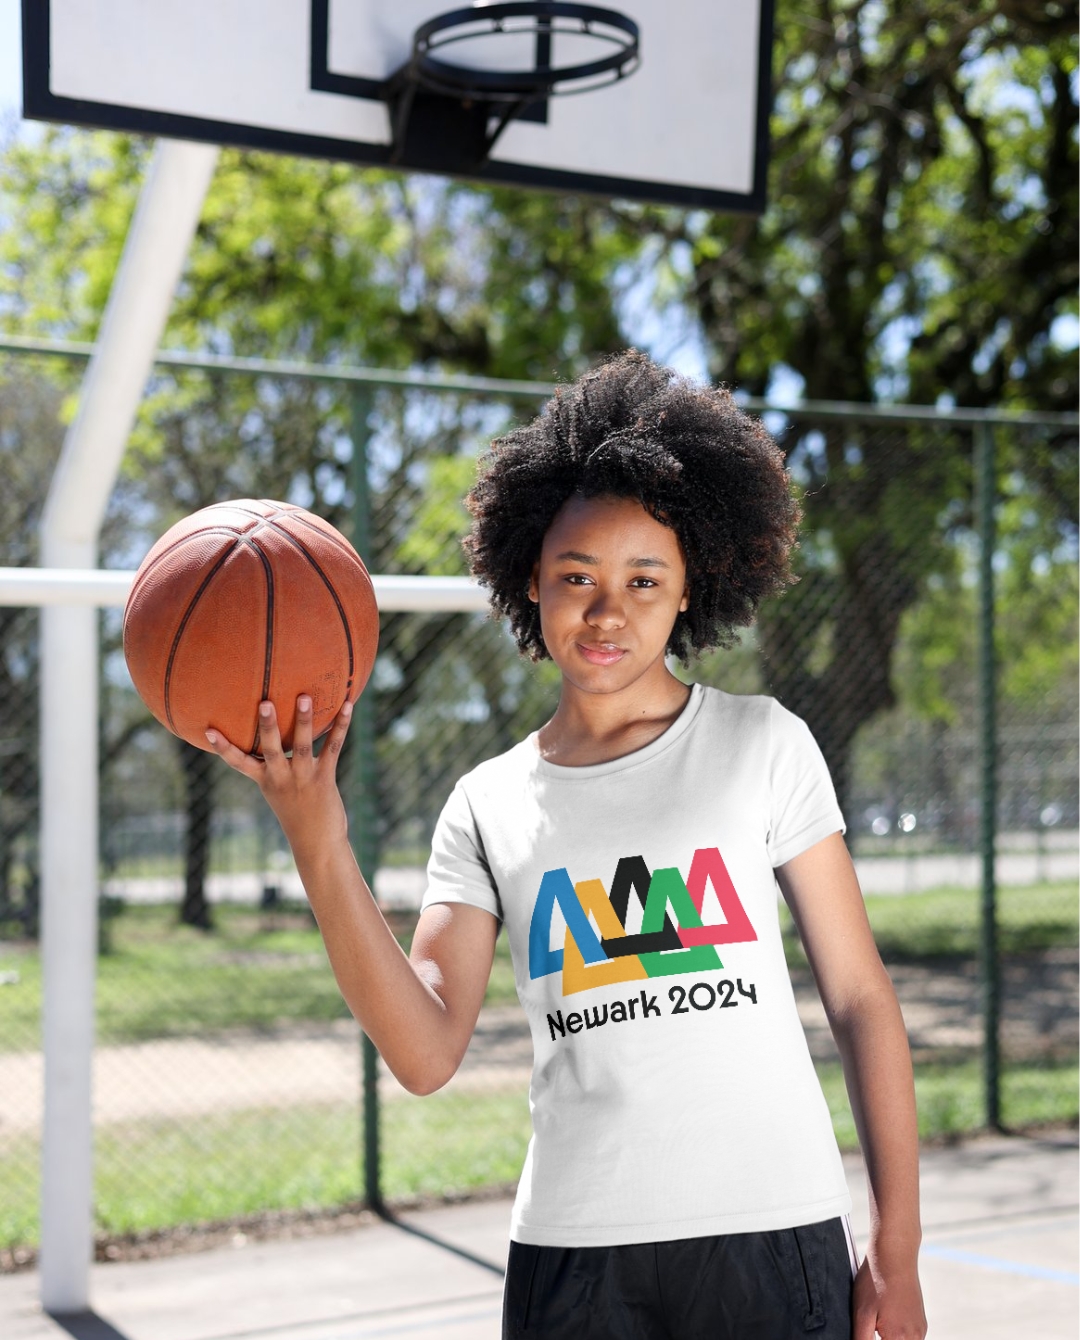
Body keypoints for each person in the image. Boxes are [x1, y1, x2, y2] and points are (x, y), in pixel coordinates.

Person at [207, 352, 927, 1340]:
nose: (606, 609)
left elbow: (858, 996)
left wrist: (898, 1241)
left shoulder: (761, 742)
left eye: (644, 578)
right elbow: (424, 1052)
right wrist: (317, 838)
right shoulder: (488, 801)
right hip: (577, 1255)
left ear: (690, 590)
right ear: (530, 583)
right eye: (577, 575)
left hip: (775, 1228)